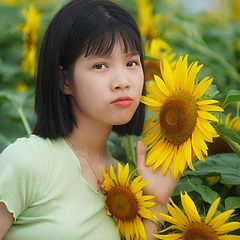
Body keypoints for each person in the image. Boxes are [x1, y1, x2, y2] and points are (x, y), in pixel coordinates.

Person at [0, 0, 178, 239]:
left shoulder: (124, 183)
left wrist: (156, 202)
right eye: (100, 65)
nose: (122, 81)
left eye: (131, 63)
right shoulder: (28, 162)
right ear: (65, 80)